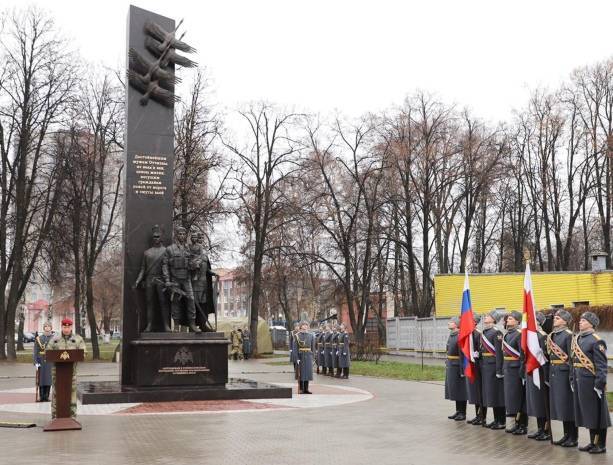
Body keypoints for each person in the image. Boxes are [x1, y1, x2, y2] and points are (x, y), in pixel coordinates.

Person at [572, 311, 611, 454]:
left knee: (598, 413)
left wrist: (599, 384)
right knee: (589, 413)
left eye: (583, 320)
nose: (580, 322)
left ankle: (600, 444)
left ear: (591, 323)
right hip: (580, 381)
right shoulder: (579, 339)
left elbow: (601, 365)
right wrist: (572, 378)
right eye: (581, 320)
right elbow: (574, 362)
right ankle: (592, 442)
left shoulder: (596, 340)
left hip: (592, 382)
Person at [547, 309, 578, 447]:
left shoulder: (568, 335)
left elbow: (571, 359)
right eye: (555, 318)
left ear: (565, 321)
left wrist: (571, 377)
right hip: (555, 373)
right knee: (561, 406)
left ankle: (573, 436)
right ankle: (566, 434)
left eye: (558, 318)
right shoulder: (553, 335)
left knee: (568, 406)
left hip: (565, 374)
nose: (555, 319)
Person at [162, 226, 200, 333]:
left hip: (186, 279)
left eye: (184, 234)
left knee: (191, 300)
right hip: (175, 279)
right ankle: (176, 326)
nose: (182, 236)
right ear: (176, 235)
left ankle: (192, 324)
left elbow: (193, 261)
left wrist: (194, 265)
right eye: (180, 234)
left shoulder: (189, 248)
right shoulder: (170, 249)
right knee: (175, 302)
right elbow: (165, 265)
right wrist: (167, 280)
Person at [134, 225, 171, 332]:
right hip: (149, 280)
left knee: (163, 303)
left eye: (158, 236)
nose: (156, 238)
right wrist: (138, 281)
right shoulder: (147, 253)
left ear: (161, 237)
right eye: (154, 237)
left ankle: (166, 325)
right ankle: (149, 325)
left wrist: (167, 280)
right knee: (149, 303)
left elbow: (167, 267)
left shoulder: (165, 251)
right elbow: (142, 269)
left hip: (161, 280)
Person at [48, 318, 86, 420]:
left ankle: (72, 416)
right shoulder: (54, 339)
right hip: (57, 373)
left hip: (71, 373)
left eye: (68, 327)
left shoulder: (78, 339)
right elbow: (48, 352)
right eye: (64, 327)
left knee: (72, 394)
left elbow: (83, 353)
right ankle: (55, 416)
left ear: (71, 327)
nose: (66, 329)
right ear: (62, 327)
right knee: (56, 394)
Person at [525, 311, 550, 441]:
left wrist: (546, 377)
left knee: (542, 401)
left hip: (540, 372)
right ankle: (540, 429)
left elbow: (546, 357)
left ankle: (546, 430)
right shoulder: (530, 336)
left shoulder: (542, 336)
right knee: (535, 402)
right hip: (531, 371)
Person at [501, 310, 527, 435]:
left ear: (518, 321)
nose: (508, 320)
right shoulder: (507, 334)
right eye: (508, 319)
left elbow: (522, 355)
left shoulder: (519, 334)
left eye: (511, 318)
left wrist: (522, 372)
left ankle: (522, 424)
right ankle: (514, 422)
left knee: (518, 397)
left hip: (516, 369)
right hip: (508, 369)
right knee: (510, 397)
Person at [480, 310, 506, 429]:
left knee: (497, 394)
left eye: (488, 316)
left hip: (493, 366)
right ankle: (496, 419)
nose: (486, 317)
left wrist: (499, 370)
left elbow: (499, 353)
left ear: (494, 319)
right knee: (491, 394)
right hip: (486, 366)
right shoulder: (485, 332)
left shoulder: (496, 333)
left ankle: (501, 420)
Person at [189, 231, 218, 331]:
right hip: (195, 283)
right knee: (194, 305)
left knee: (204, 305)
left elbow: (207, 269)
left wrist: (213, 273)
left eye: (202, 238)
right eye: (199, 238)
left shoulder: (205, 256)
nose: (200, 240)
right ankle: (192, 325)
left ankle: (203, 324)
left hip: (204, 283)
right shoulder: (191, 255)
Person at [445, 316, 467, 421]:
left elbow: (462, 353)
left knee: (460, 389)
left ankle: (463, 413)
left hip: (457, 366)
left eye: (451, 322)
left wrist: (462, 369)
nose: (449, 323)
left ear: (457, 324)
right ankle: (458, 411)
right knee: (454, 389)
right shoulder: (452, 335)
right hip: (451, 364)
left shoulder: (459, 336)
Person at [465, 314, 483, 425]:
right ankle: (477, 415)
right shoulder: (468, 334)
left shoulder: (478, 334)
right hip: (470, 365)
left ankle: (481, 416)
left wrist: (478, 354)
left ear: (475, 322)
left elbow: (481, 348)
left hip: (477, 366)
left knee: (479, 391)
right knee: (474, 392)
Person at [291, 321, 315, 394]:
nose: (305, 326)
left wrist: (313, 357)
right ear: (301, 326)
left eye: (306, 325)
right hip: (301, 355)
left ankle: (306, 389)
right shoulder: (297, 335)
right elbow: (295, 348)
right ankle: (301, 388)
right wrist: (297, 358)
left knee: (307, 372)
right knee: (301, 373)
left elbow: (313, 347)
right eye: (304, 325)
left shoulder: (311, 335)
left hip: (308, 355)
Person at [33, 322, 53, 402]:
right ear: (43, 328)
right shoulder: (39, 338)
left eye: (49, 326)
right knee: (41, 379)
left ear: (51, 328)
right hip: (41, 360)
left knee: (48, 379)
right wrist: (36, 362)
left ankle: (46, 396)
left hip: (50, 361)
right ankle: (41, 396)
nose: (47, 327)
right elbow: (36, 351)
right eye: (46, 326)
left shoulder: (54, 338)